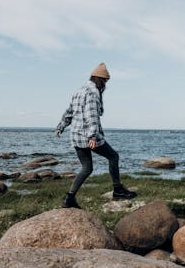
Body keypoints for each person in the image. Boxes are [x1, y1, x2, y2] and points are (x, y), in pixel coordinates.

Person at [55, 62, 137, 208]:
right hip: (88, 136)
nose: (105, 84)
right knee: (113, 156)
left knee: (87, 168)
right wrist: (92, 136)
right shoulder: (93, 92)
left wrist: (61, 126)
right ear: (98, 78)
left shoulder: (79, 91)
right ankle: (118, 190)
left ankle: (69, 199)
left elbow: (69, 112)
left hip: (76, 136)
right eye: (105, 80)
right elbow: (91, 115)